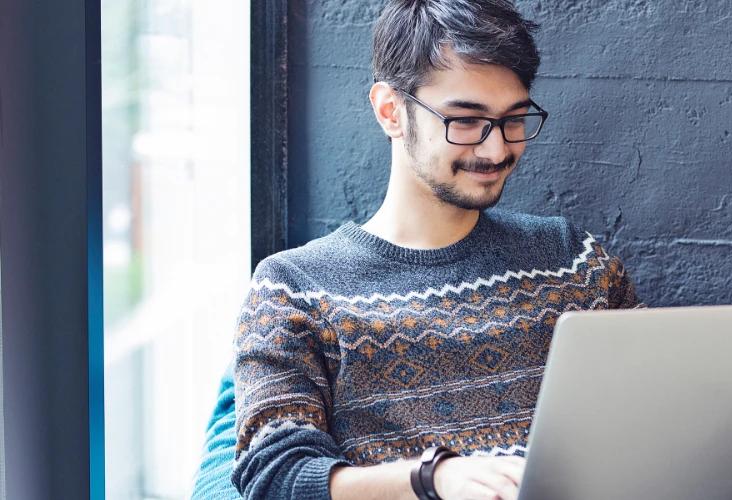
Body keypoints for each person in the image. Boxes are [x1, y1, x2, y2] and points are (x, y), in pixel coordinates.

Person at [193, 1, 643, 498]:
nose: (496, 150)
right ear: (391, 110)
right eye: (466, 121)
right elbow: (273, 477)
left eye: (514, 119)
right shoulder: (295, 288)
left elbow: (659, 408)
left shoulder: (573, 260)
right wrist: (433, 478)